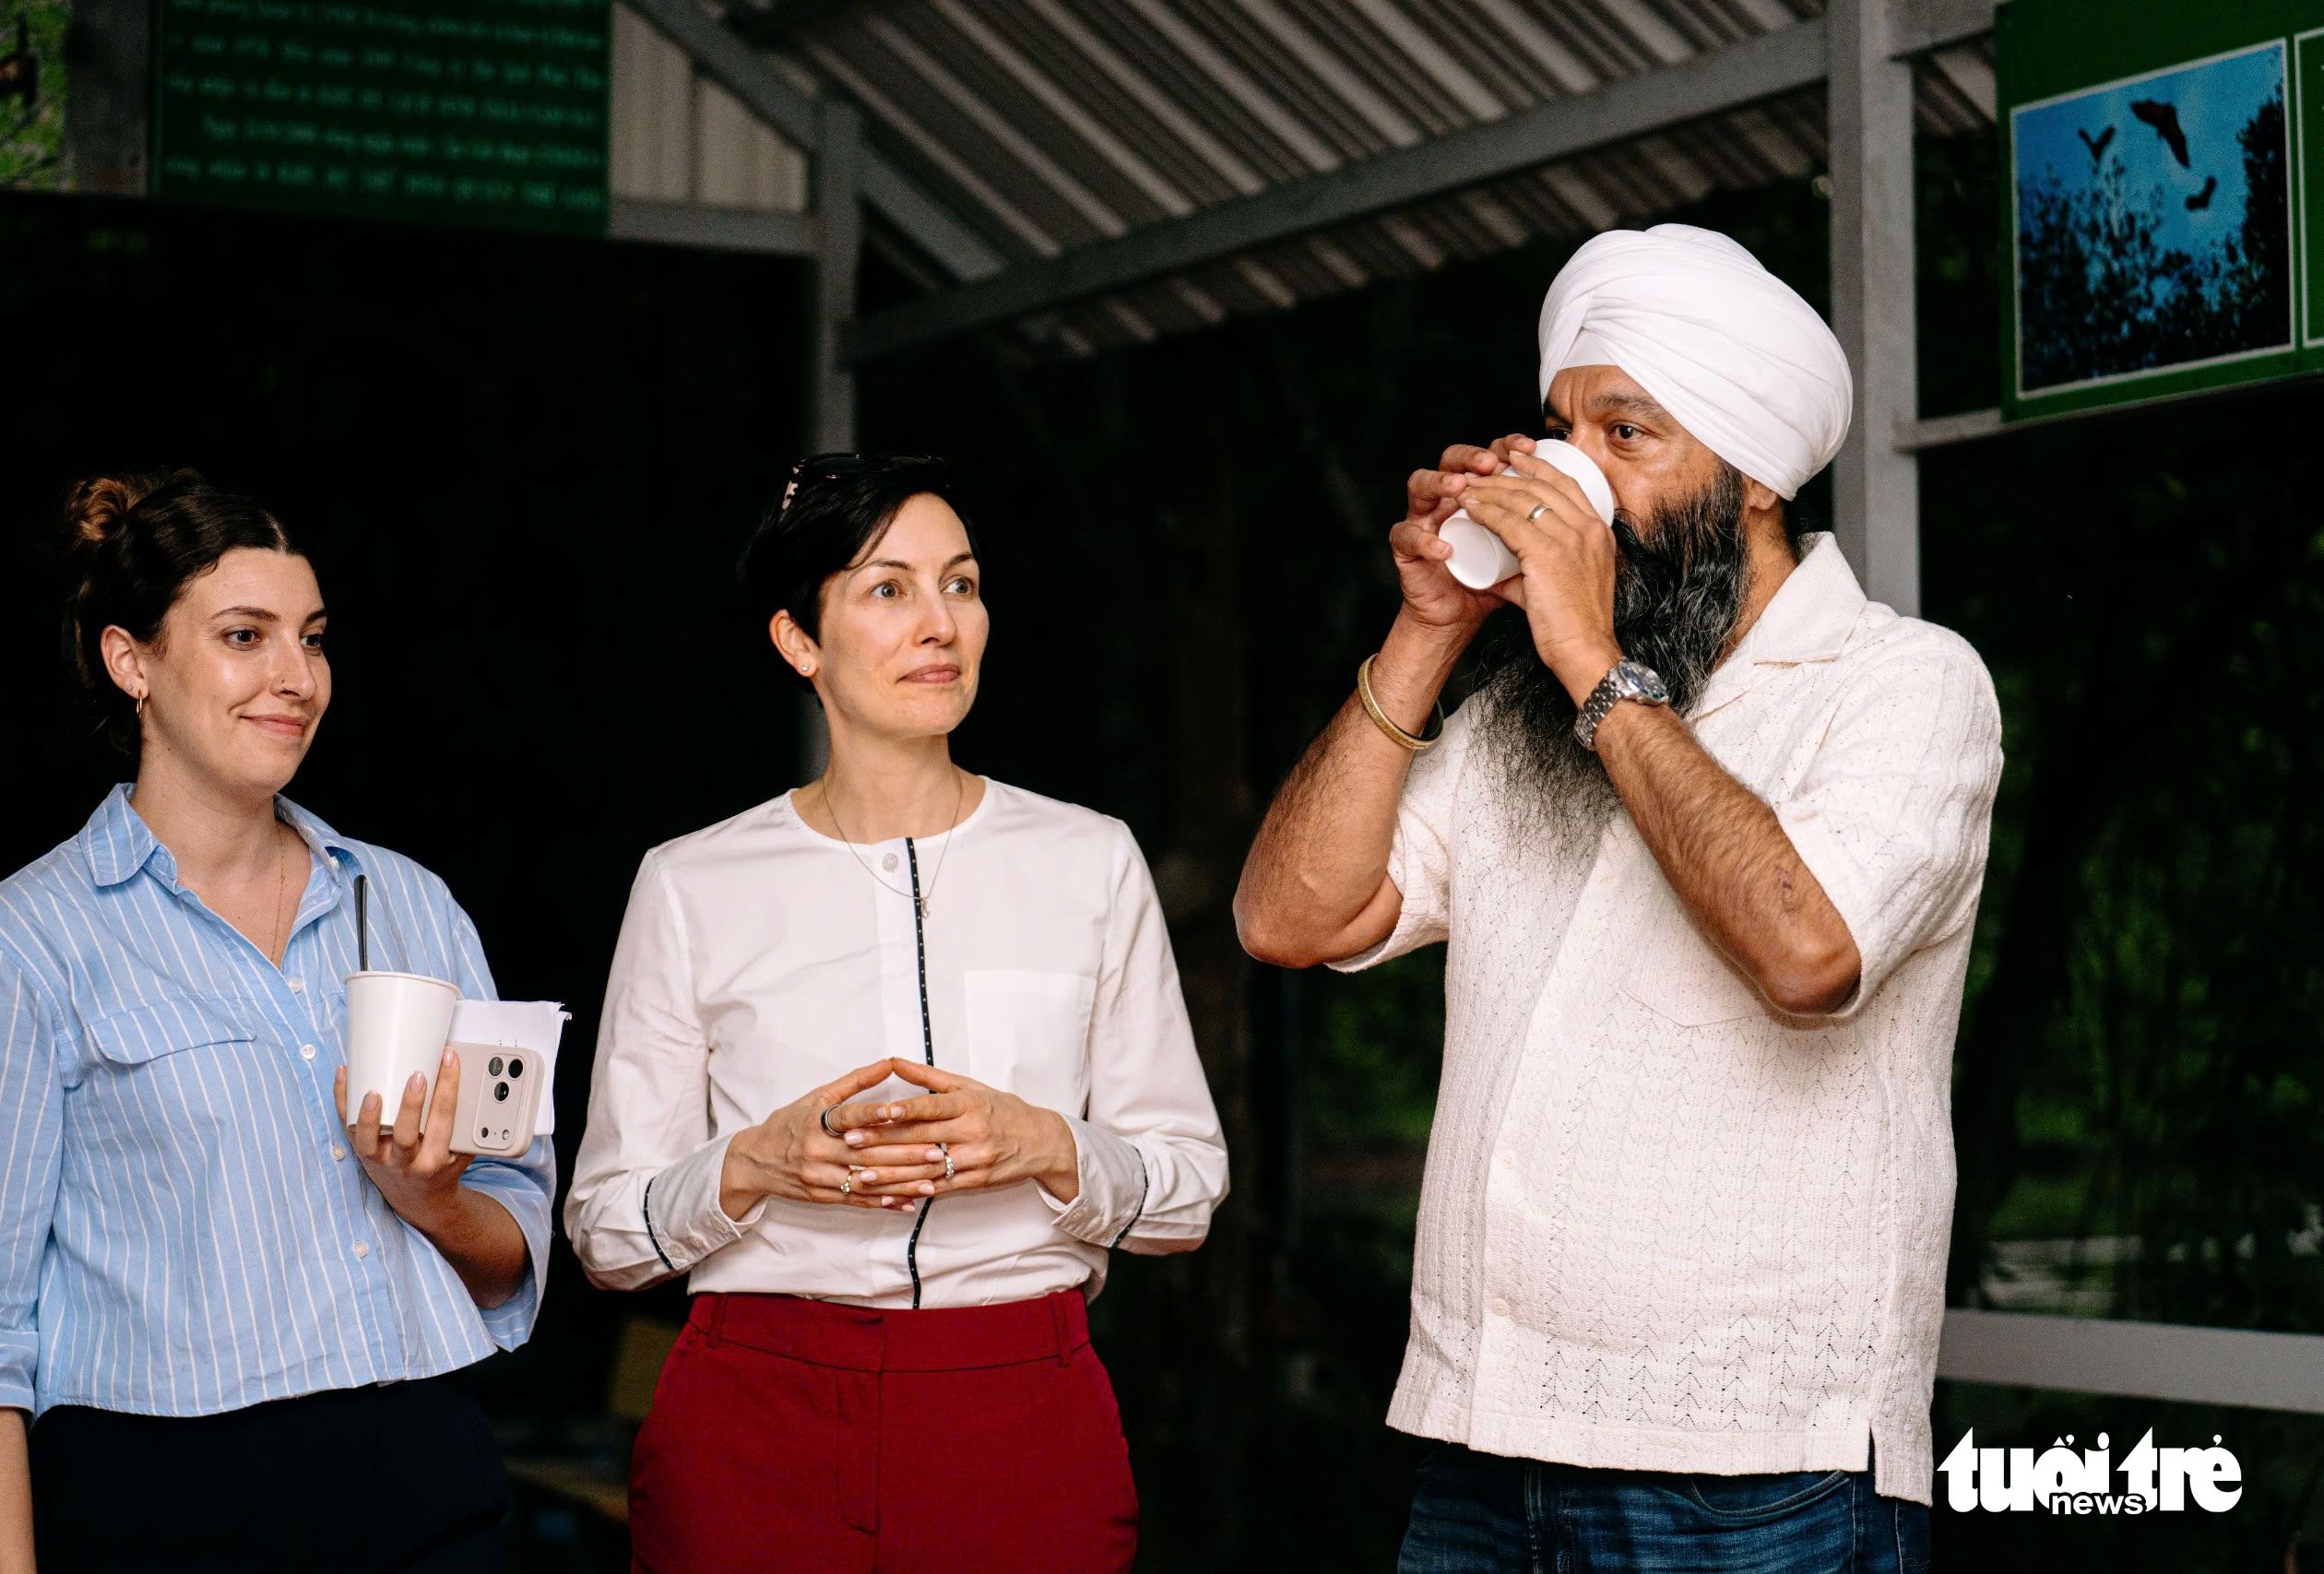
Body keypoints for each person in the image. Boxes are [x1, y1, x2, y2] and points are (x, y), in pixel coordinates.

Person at [1234, 225, 2003, 1572]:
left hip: (1752, 1476)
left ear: (1756, 472)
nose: (1573, 479)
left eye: (1628, 433)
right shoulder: (1522, 719)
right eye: (1560, 431)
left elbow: (1809, 953)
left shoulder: (1904, 682)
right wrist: (1426, 628)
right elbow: (1290, 917)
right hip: (1482, 1444)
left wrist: (1590, 655)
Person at [563, 452, 1228, 1574]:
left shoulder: (1087, 859)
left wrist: (1046, 1144)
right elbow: (605, 1234)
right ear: (799, 642)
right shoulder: (692, 881)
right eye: (889, 589)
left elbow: (1188, 1192)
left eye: (960, 585)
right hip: (753, 1410)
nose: (940, 624)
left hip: (1021, 1404)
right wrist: (753, 1164)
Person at [0, 473, 555, 1574]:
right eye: (246, 636)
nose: (296, 679)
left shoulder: (413, 906)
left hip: (428, 1485)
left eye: (315, 640)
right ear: (130, 660)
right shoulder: (26, 942)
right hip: (161, 1509)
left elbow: (518, 1234)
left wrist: (432, 1202)